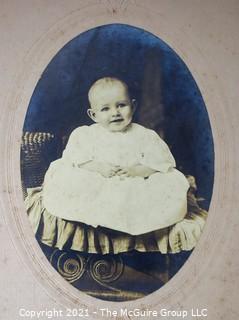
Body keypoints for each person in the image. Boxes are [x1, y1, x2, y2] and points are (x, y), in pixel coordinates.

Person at [25, 77, 207, 254]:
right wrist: (98, 167)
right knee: (69, 178)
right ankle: (99, 224)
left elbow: (160, 164)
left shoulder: (144, 136)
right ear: (93, 115)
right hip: (98, 182)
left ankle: (128, 228)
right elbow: (76, 160)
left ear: (133, 106)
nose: (115, 113)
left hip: (134, 183)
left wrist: (137, 171)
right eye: (105, 109)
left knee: (165, 183)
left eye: (121, 105)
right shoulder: (85, 135)